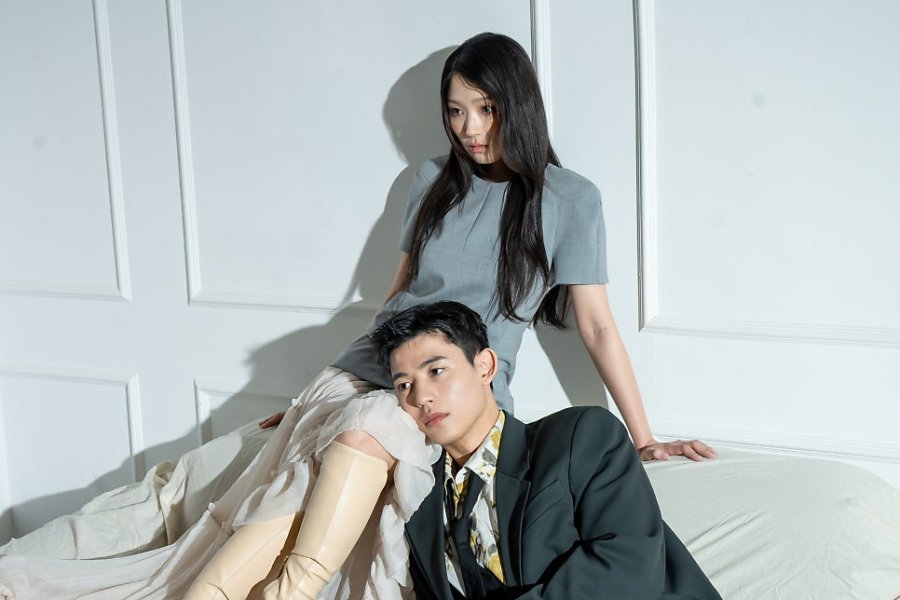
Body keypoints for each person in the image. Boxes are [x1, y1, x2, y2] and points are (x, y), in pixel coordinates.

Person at [0, 32, 713, 600]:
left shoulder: (570, 200)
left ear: (519, 106)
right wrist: (313, 399)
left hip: (442, 387)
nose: (469, 129)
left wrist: (644, 437)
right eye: (455, 111)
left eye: (486, 109)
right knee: (293, 462)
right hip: (371, 371)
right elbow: (395, 300)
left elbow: (597, 327)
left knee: (370, 430)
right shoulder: (430, 181)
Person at [371, 301, 721, 599]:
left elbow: (626, 567)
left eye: (436, 371)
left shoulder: (581, 437)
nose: (421, 397)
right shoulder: (418, 496)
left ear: (485, 366)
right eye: (404, 385)